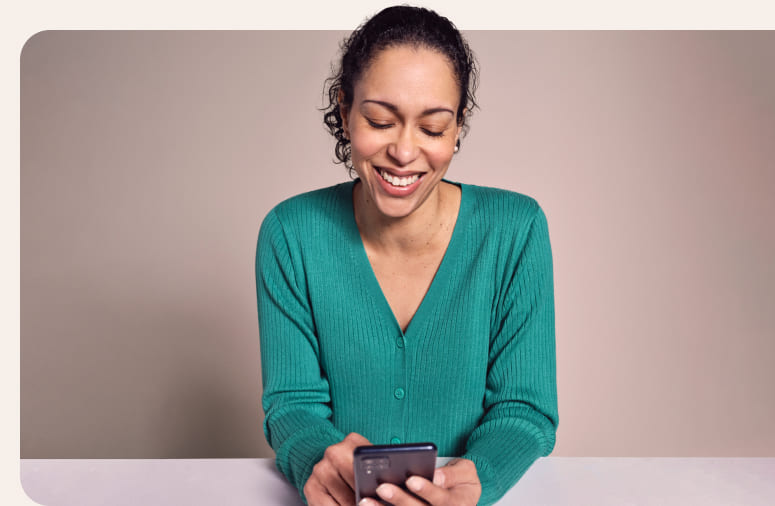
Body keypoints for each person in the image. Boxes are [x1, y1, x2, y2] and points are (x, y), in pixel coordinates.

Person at [256, 6, 558, 505]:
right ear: (344, 108)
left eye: (433, 128)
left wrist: (477, 481)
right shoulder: (291, 234)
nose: (404, 151)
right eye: (379, 120)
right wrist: (320, 459)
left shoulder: (515, 230)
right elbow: (292, 405)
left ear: (459, 127)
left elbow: (524, 409)